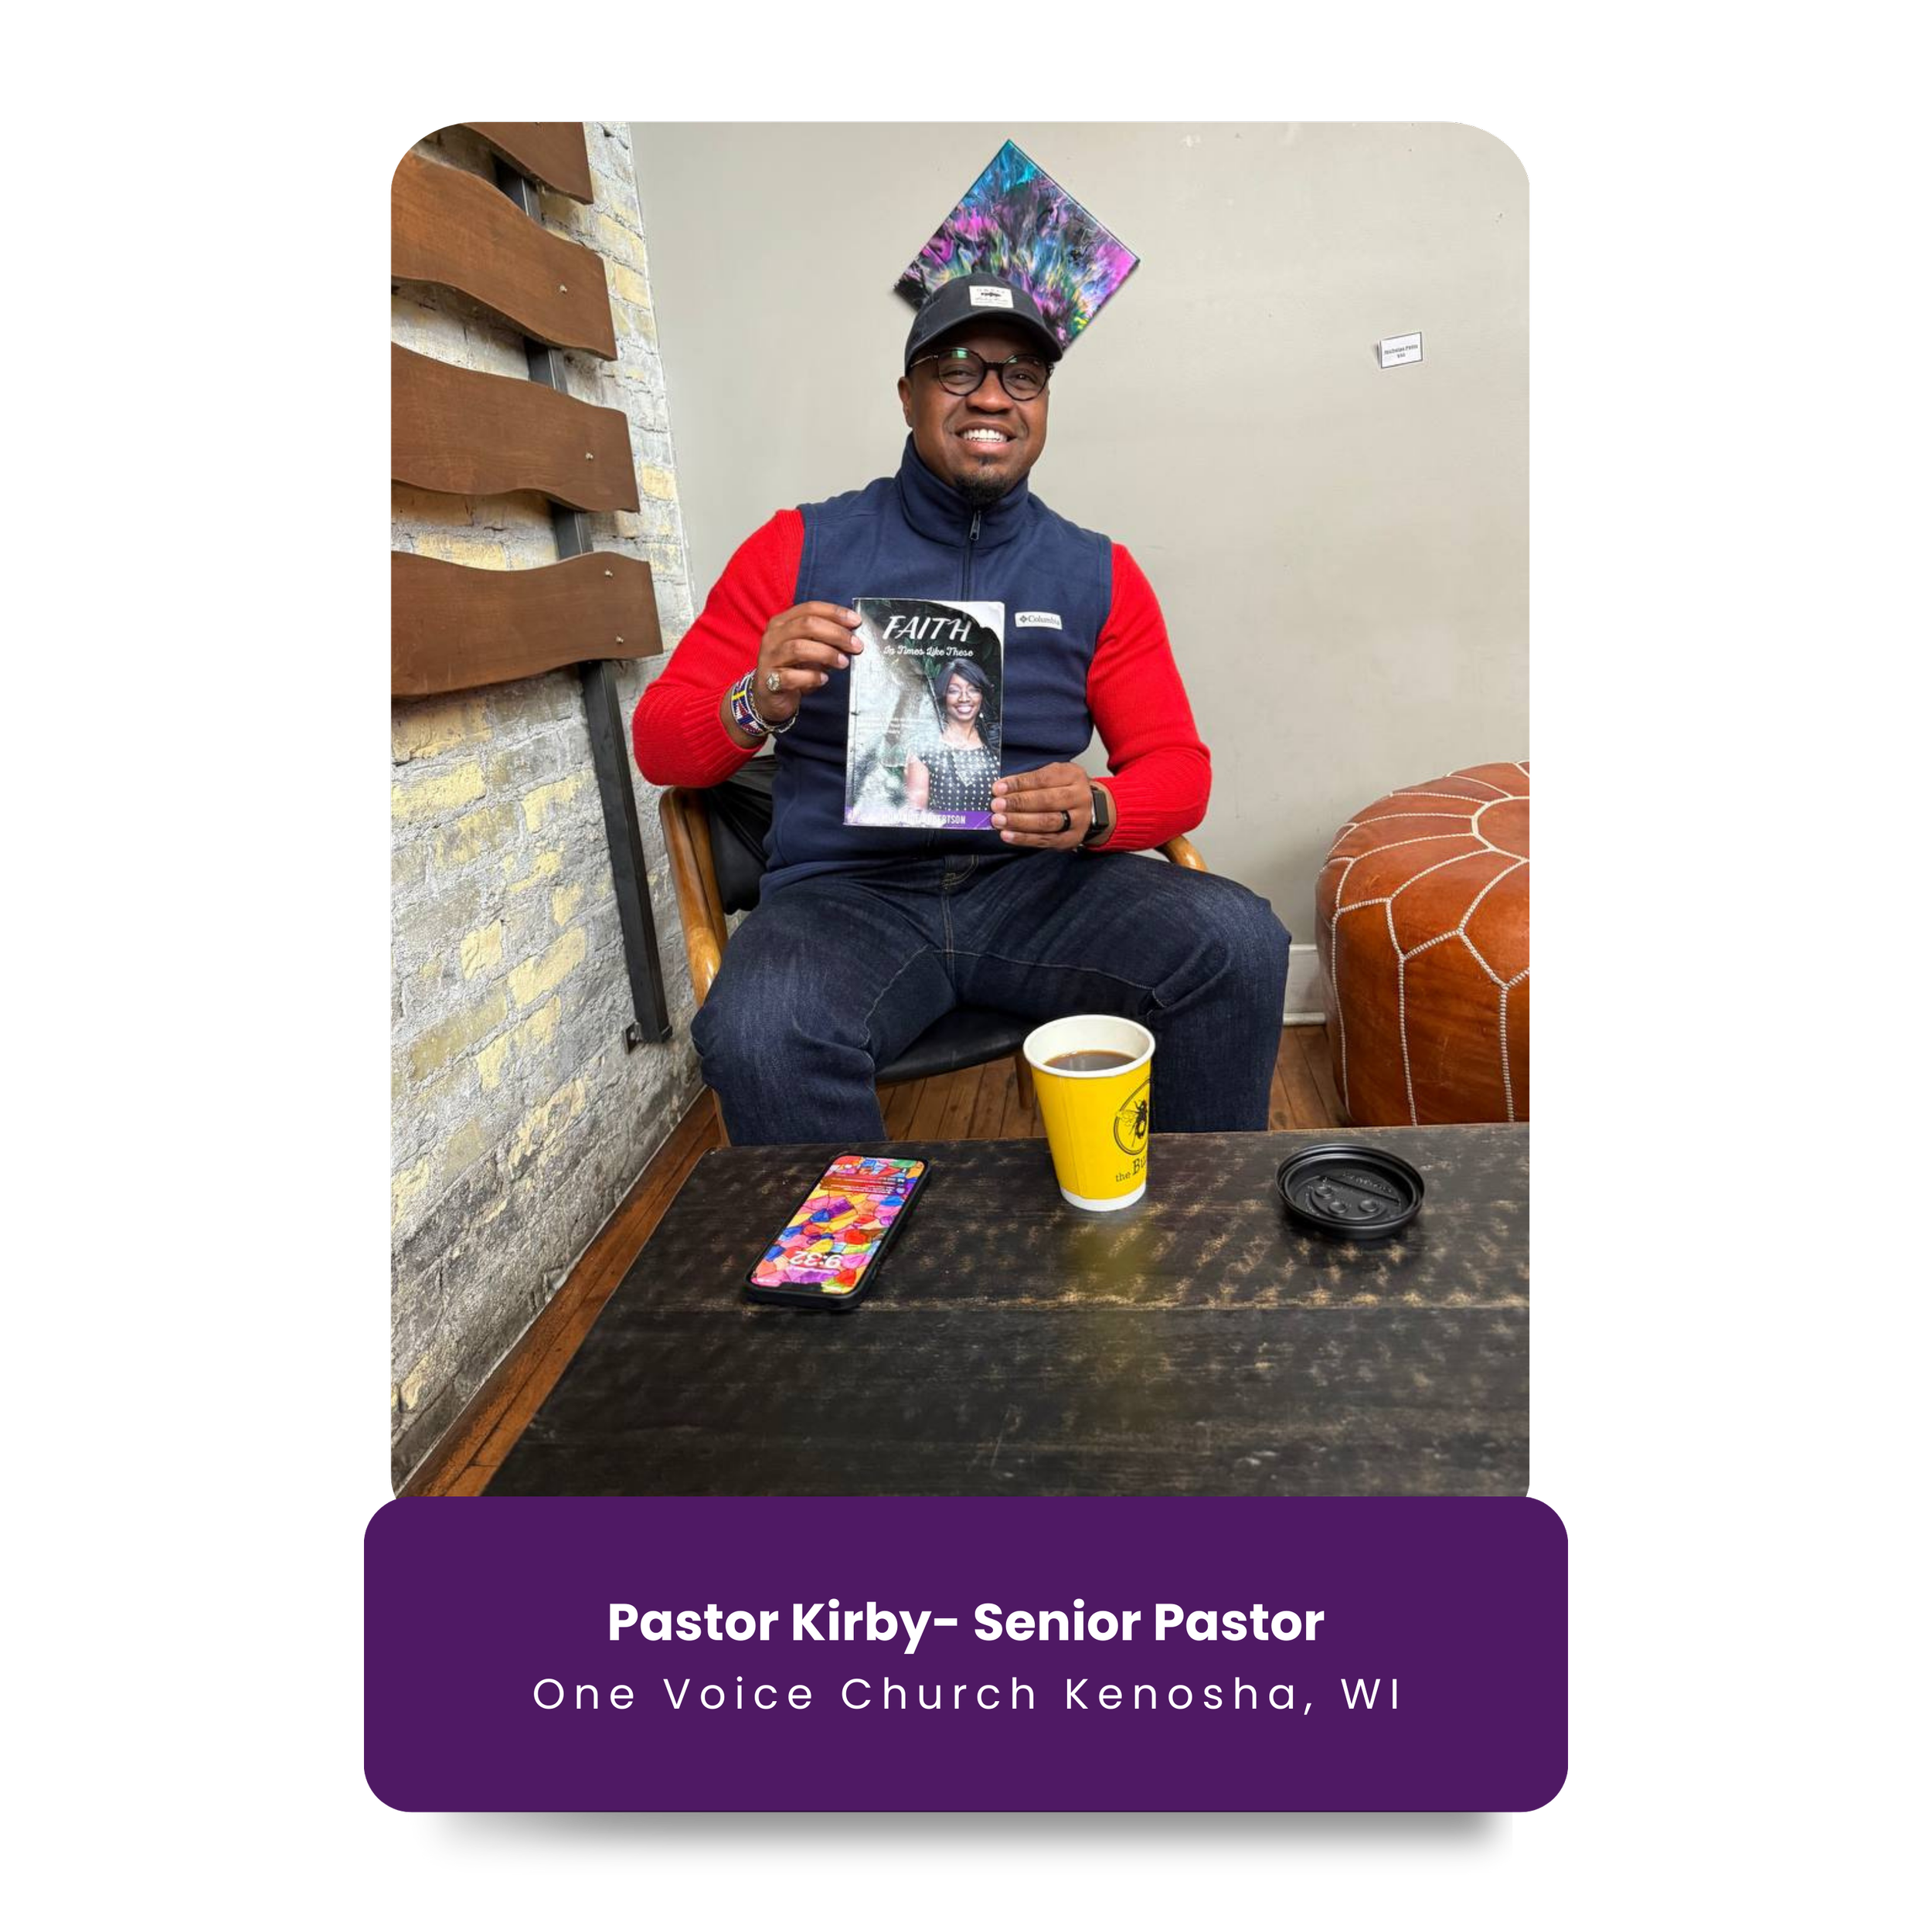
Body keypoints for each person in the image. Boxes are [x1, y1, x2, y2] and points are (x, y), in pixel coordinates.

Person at [633, 273, 1291, 1145]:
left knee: (1238, 941)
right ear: (907, 395)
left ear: (1044, 403)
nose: (992, 395)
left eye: (1021, 375)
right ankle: (855, 1277)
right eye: (957, 369)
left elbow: (1179, 769)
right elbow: (659, 747)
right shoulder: (797, 546)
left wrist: (1096, 809)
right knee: (757, 1030)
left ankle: (1199, 1235)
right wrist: (756, 700)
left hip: (1036, 886)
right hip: (846, 898)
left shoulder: (1099, 573)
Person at [904, 656, 998, 818]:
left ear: (982, 696)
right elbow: (916, 817)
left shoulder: (996, 744)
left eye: (973, 689)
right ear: (943, 696)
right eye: (954, 690)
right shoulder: (923, 750)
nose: (964, 698)